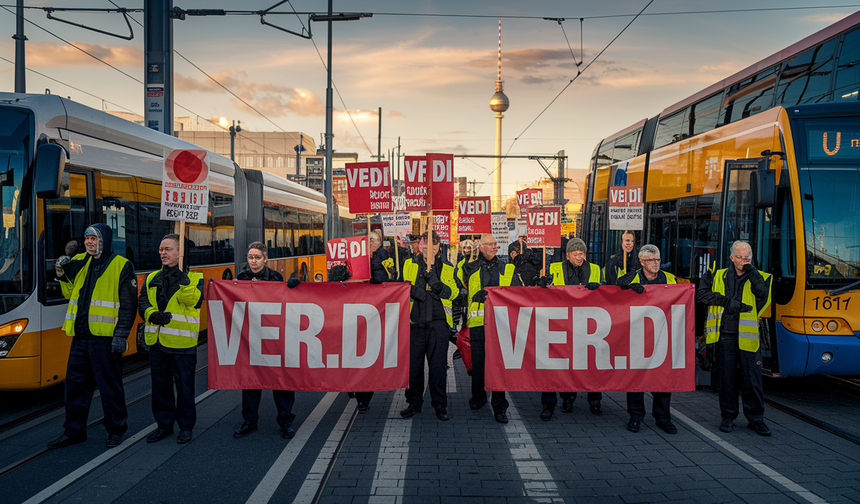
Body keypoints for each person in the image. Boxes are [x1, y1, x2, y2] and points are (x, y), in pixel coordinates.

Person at [47, 224, 137, 449]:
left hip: (105, 340)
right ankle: (74, 431)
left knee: (109, 388)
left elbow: (128, 305)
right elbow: (70, 294)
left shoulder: (122, 265)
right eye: (87, 238)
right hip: (80, 337)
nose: (89, 242)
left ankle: (116, 430)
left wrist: (121, 335)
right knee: (74, 387)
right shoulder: (80, 261)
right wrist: (62, 274)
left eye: (94, 238)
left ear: (104, 240)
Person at [696, 240, 773, 436]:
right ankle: (728, 417)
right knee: (727, 380)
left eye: (748, 257)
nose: (744, 261)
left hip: (748, 337)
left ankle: (756, 419)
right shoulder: (717, 275)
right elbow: (702, 295)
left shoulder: (761, 277)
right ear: (731, 257)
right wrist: (728, 302)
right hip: (724, 336)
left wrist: (752, 272)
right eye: (740, 257)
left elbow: (762, 294)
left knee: (752, 380)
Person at [232, 242, 301, 439]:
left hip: (273, 336)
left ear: (265, 259)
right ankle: (250, 421)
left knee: (281, 380)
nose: (253, 261)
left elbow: (285, 303)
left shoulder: (276, 277)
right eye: (250, 257)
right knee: (250, 381)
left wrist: (293, 288)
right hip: (251, 337)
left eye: (257, 257)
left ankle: (286, 421)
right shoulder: (241, 278)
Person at [140, 234, 204, 445]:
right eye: (161, 249)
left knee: (185, 388)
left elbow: (193, 302)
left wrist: (184, 282)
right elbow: (142, 303)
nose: (163, 253)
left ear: (180, 253)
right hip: (157, 343)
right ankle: (164, 426)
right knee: (160, 387)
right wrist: (152, 315)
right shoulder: (152, 277)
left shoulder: (195, 278)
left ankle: (186, 427)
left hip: (182, 344)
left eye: (168, 249)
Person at [540, 237, 603, 420]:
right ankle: (566, 399)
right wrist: (542, 285)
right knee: (561, 364)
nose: (579, 257)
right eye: (575, 254)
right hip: (562, 324)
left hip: (588, 324)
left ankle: (595, 401)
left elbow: (606, 293)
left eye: (581, 253)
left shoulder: (595, 269)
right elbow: (545, 292)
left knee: (592, 365)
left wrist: (599, 288)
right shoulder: (555, 268)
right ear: (567, 255)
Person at [618, 244, 678, 434]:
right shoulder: (632, 278)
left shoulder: (670, 279)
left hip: (662, 335)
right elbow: (615, 291)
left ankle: (663, 418)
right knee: (636, 378)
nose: (656, 263)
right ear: (642, 262)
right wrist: (627, 287)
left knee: (663, 378)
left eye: (658, 259)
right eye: (651, 260)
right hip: (637, 336)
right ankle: (636, 416)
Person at [399, 231, 458, 421]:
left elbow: (454, 293)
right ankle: (414, 403)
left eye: (434, 244)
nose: (429, 248)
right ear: (420, 245)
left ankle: (440, 405)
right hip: (414, 323)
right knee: (414, 368)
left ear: (438, 246)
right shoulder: (409, 264)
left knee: (438, 368)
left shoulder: (447, 267)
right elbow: (401, 287)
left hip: (438, 323)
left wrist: (437, 285)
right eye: (426, 244)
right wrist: (418, 292)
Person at [461, 233, 515, 423]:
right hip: (477, 323)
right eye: (490, 244)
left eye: (495, 244)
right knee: (478, 365)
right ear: (481, 247)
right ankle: (478, 398)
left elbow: (516, 292)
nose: (494, 247)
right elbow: (459, 286)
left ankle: (500, 406)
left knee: (498, 367)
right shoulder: (470, 267)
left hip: (499, 324)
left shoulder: (507, 268)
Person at [353, 231, 396, 413]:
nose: (370, 242)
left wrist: (372, 270)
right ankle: (355, 388)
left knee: (368, 353)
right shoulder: (356, 255)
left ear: (380, 242)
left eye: (374, 239)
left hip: (374, 310)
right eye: (368, 239)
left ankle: (364, 397)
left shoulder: (384, 256)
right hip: (355, 309)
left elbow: (388, 277)